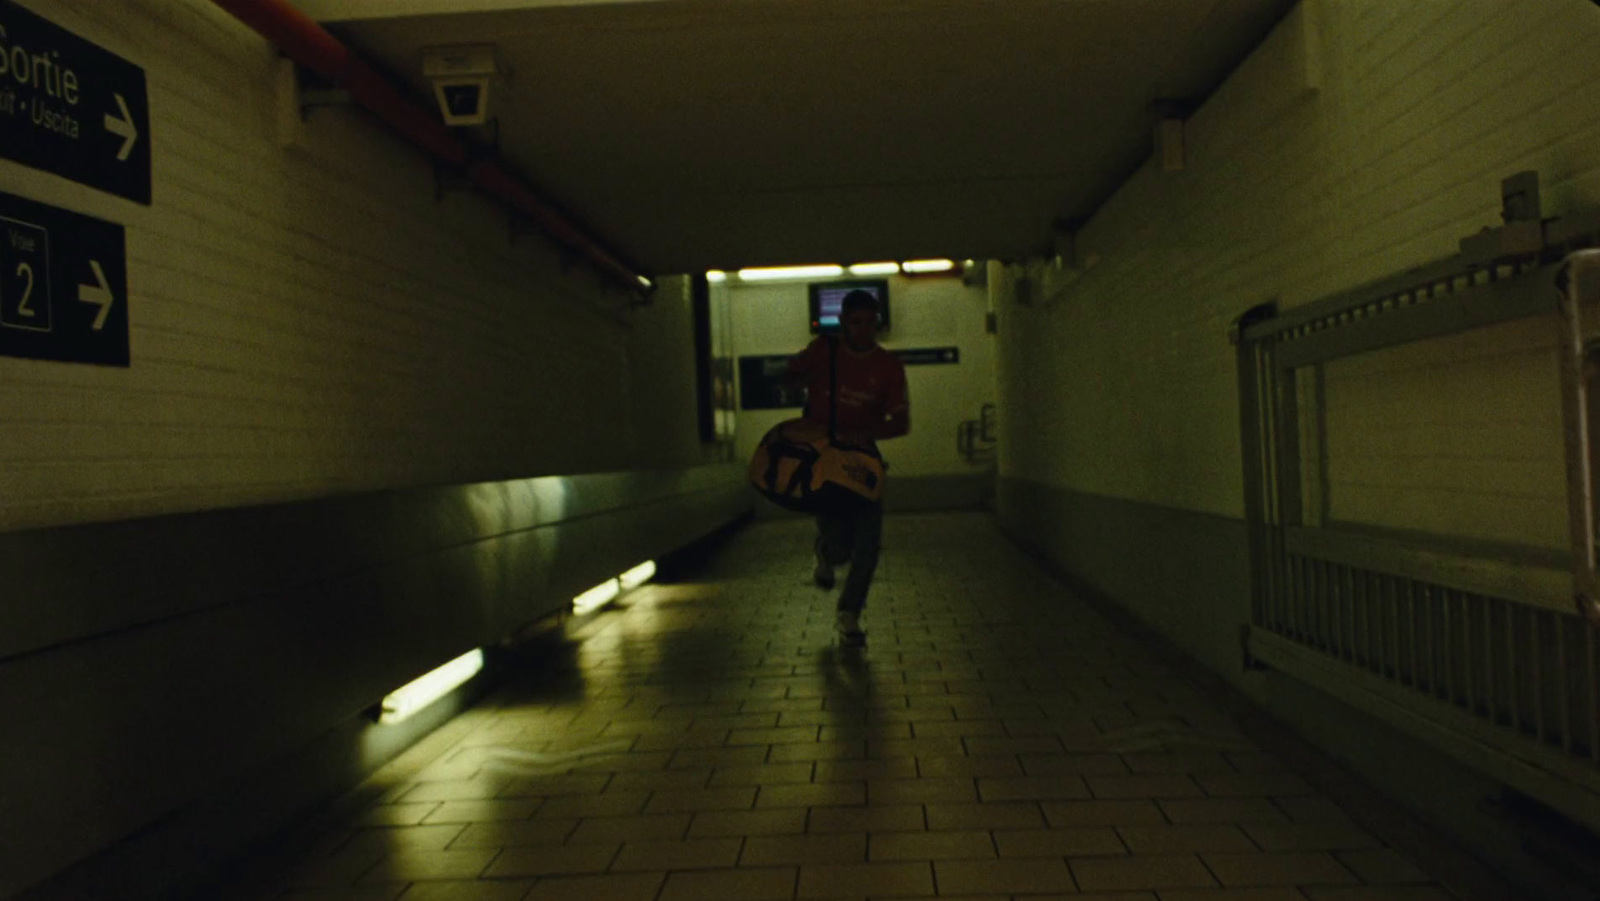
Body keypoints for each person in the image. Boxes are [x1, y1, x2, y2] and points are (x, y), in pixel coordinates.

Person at [784, 289, 910, 646]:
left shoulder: (888, 366)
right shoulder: (824, 352)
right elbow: (788, 376)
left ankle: (849, 613)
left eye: (871, 322)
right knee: (840, 547)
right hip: (824, 461)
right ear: (843, 324)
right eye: (856, 322)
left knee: (869, 545)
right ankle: (826, 551)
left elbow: (901, 422)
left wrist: (865, 432)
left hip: (864, 462)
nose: (864, 330)